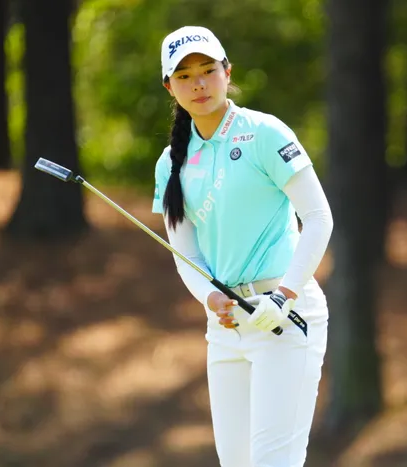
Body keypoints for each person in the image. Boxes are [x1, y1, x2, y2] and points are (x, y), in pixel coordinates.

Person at [152, 25, 334, 467]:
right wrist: (210, 297)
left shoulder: (264, 133)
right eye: (184, 76)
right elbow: (187, 256)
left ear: (227, 72)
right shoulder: (170, 162)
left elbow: (318, 218)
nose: (198, 84)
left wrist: (285, 294)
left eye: (207, 70)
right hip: (227, 327)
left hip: (285, 318)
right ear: (169, 87)